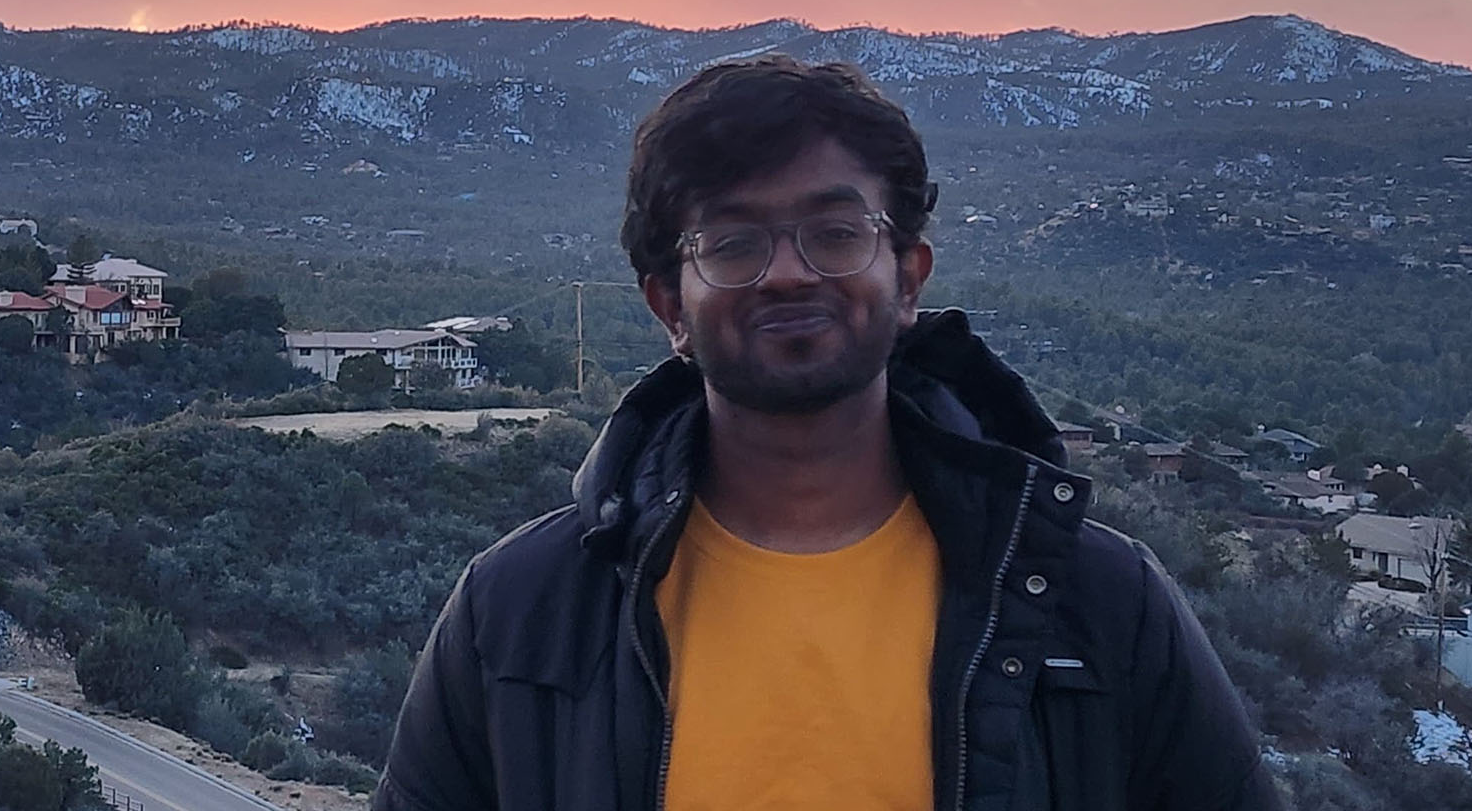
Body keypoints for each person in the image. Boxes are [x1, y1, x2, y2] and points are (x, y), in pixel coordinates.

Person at [373, 57, 1276, 811]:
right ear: (667, 307)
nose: (789, 275)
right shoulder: (524, 612)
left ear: (909, 277)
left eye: (835, 233)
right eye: (732, 245)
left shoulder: (1099, 603)